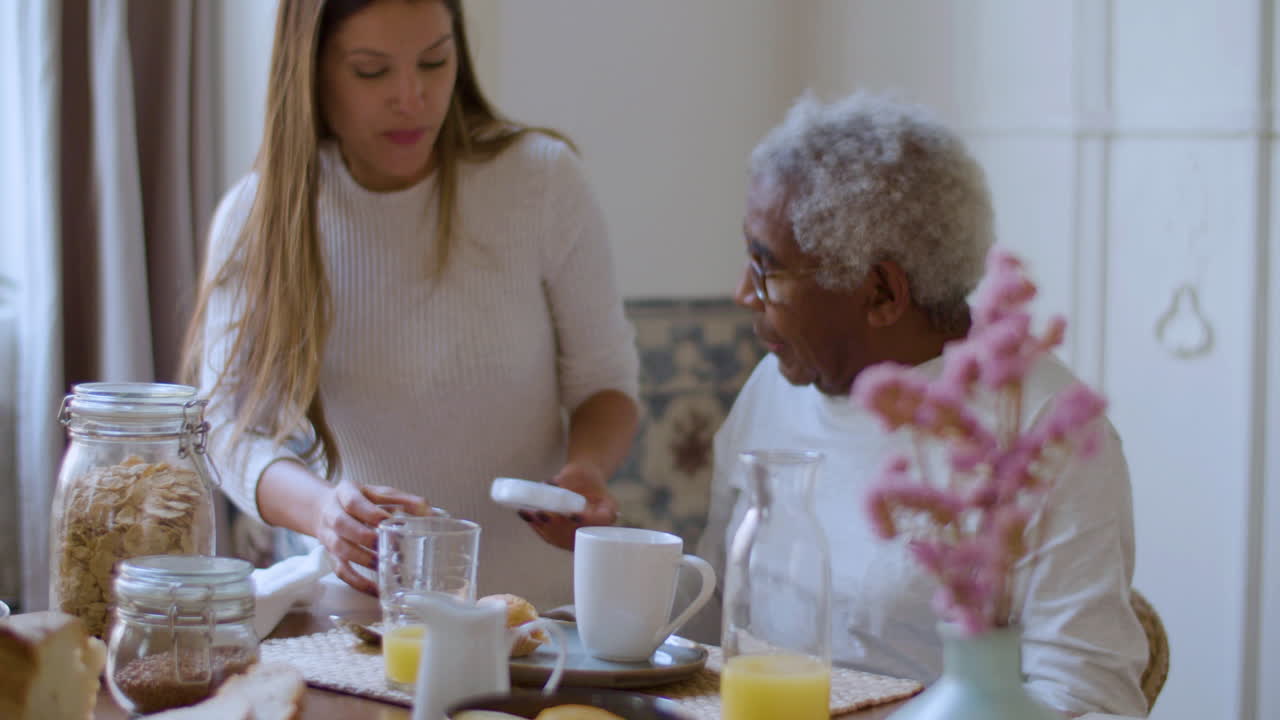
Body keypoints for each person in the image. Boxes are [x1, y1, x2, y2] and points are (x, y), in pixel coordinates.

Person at [691, 92, 1149, 716]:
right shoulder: (773, 385)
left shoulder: (1040, 432)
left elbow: (1089, 700)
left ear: (881, 292)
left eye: (765, 267)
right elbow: (714, 614)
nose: (744, 293)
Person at [182, 0, 639, 611]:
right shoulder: (256, 218)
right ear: (311, 72)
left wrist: (585, 472)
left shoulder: (542, 184)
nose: (412, 96)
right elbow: (229, 430)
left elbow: (605, 384)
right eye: (372, 71)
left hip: (534, 621)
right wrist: (322, 510)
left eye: (434, 61)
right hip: (355, 623)